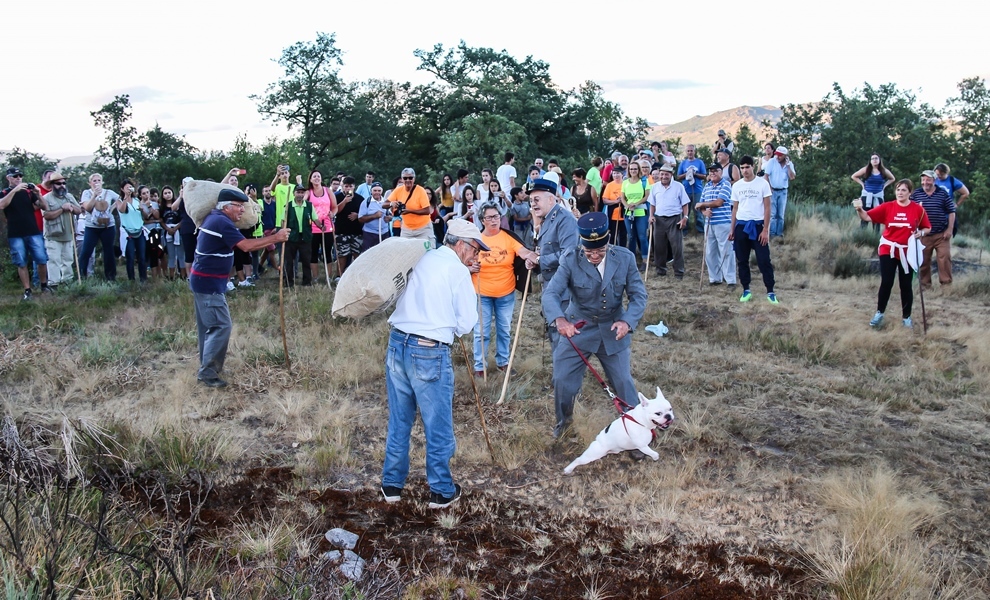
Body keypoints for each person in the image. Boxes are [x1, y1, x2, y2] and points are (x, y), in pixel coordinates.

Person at [380, 218, 487, 509]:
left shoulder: (423, 256)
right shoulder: (458, 271)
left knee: (400, 420)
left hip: (397, 343)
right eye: (475, 249)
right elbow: (466, 324)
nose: (476, 256)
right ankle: (441, 490)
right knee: (437, 423)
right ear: (461, 245)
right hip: (428, 350)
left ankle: (391, 485)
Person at [542, 212, 647, 439]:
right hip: (578, 328)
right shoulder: (570, 258)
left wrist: (627, 322)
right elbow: (551, 293)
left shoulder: (625, 258)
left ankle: (635, 432)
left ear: (608, 241)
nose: (595, 256)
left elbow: (639, 295)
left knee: (623, 382)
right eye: (589, 252)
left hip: (613, 330)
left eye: (600, 251)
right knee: (563, 381)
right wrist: (559, 319)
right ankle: (564, 424)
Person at [189, 189, 289, 387]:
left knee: (208, 327)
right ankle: (208, 373)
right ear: (226, 207)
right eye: (239, 206)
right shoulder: (221, 222)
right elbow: (246, 246)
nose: (242, 210)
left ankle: (208, 366)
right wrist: (276, 238)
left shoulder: (216, 218)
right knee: (221, 326)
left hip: (203, 281)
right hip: (208, 283)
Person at [470, 204, 539, 376]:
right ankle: (480, 366)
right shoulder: (475, 240)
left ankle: (503, 362)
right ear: (482, 220)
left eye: (496, 216)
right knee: (481, 331)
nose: (494, 220)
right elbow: (463, 261)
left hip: (505, 293)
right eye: (489, 217)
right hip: (481, 293)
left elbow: (522, 251)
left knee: (504, 329)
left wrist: (534, 257)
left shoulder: (508, 238)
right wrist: (470, 267)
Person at [853, 179, 931, 329]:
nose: (900, 193)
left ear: (910, 192)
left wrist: (920, 233)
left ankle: (906, 318)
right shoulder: (888, 206)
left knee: (906, 285)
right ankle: (879, 313)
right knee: (887, 281)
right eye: (898, 190)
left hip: (907, 250)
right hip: (888, 248)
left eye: (903, 190)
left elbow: (927, 227)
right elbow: (867, 217)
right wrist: (859, 209)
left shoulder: (917, 209)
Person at [525, 179, 578, 347]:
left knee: (562, 337)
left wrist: (540, 260)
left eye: (537, 199)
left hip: (564, 290)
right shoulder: (546, 219)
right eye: (531, 200)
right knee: (554, 334)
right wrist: (535, 261)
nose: (533, 204)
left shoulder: (565, 220)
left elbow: (569, 254)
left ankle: (565, 372)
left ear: (551, 199)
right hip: (551, 286)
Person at [729, 156, 778, 304]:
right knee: (742, 260)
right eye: (742, 168)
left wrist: (765, 229)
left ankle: (770, 291)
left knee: (764, 260)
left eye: (747, 167)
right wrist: (732, 229)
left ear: (752, 166)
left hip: (757, 226)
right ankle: (746, 289)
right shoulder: (737, 186)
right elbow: (735, 208)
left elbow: (768, 207)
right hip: (741, 226)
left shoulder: (762, 184)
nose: (745, 170)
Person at [1, 167, 52, 299]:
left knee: (41, 259)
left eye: (20, 176)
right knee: (21, 262)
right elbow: (2, 205)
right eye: (15, 176)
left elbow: (45, 207)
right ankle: (27, 290)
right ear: (8, 178)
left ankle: (43, 285)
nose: (18, 178)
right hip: (15, 233)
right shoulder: (4, 192)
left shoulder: (28, 193)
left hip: (33, 231)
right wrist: (15, 190)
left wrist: (38, 193)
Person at [910, 170, 955, 289]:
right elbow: (909, 210)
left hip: (941, 234)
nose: (925, 182)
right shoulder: (916, 194)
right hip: (923, 234)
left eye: (928, 180)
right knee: (923, 261)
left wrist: (949, 229)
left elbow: (951, 211)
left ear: (934, 181)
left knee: (944, 259)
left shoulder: (943, 193)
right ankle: (925, 286)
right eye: (923, 180)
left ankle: (946, 286)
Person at [646, 163, 690, 278]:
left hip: (674, 219)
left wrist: (685, 218)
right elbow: (652, 204)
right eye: (662, 174)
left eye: (666, 174)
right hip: (659, 219)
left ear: (671, 175)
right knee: (659, 247)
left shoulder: (678, 186)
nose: (664, 176)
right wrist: (651, 216)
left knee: (677, 247)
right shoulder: (655, 187)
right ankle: (660, 271)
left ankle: (679, 272)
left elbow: (685, 204)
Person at [696, 164, 735, 286]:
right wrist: (704, 211)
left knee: (726, 252)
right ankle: (715, 278)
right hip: (709, 223)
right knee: (710, 252)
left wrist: (702, 205)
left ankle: (730, 280)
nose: (712, 173)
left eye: (715, 171)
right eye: (710, 171)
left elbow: (719, 202)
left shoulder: (726, 184)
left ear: (721, 172)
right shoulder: (707, 186)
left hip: (723, 223)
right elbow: (700, 205)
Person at [40, 172, 82, 288]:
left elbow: (79, 210)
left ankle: (67, 282)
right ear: (52, 185)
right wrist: (62, 209)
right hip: (53, 235)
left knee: (68, 260)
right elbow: (47, 215)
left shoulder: (69, 197)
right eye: (58, 184)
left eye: (64, 183)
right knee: (54, 261)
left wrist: (72, 207)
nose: (62, 186)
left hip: (69, 234)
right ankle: (54, 284)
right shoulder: (46, 198)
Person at [78, 172, 119, 281]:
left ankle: (110, 277)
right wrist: (94, 195)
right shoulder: (86, 193)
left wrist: (111, 210)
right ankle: (82, 276)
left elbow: (120, 200)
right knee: (86, 251)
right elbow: (87, 207)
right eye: (94, 181)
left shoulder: (109, 192)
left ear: (102, 182)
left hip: (108, 226)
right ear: (90, 183)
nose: (96, 183)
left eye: (98, 180)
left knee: (109, 251)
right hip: (91, 227)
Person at [388, 168, 434, 245]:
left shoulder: (421, 190)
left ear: (414, 179)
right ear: (402, 179)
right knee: (405, 253)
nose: (408, 180)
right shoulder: (398, 190)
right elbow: (384, 204)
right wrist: (391, 204)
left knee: (428, 251)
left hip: (423, 228)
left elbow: (427, 211)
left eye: (410, 178)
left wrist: (409, 211)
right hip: (407, 229)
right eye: (405, 178)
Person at [305, 170, 336, 283]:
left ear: (321, 179)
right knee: (313, 252)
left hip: (327, 226)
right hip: (313, 227)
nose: (317, 178)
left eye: (319, 176)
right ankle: (315, 277)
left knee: (327, 252)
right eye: (314, 176)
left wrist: (333, 213)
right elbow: (303, 203)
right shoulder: (309, 192)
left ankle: (329, 276)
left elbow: (334, 207)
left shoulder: (328, 191)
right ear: (310, 179)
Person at [851, 154, 895, 232]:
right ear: (870, 161)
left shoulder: (884, 171)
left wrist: (884, 186)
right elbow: (854, 176)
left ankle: (875, 235)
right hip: (867, 195)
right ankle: (862, 235)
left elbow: (892, 178)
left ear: (879, 160)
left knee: (877, 216)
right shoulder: (866, 169)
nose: (874, 160)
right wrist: (862, 184)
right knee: (865, 215)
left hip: (878, 196)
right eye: (872, 159)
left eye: (876, 158)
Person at [116, 180, 147, 283]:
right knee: (130, 257)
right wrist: (126, 197)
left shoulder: (137, 201)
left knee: (142, 257)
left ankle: (143, 278)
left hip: (139, 230)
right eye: (127, 187)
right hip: (128, 232)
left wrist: (142, 210)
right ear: (122, 189)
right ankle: (131, 280)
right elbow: (122, 210)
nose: (129, 189)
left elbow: (144, 216)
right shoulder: (119, 201)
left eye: (131, 187)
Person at [620, 162, 650, 270]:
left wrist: (636, 204)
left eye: (635, 169)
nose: (633, 171)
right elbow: (622, 197)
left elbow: (646, 196)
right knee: (631, 236)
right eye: (631, 169)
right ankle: (631, 261)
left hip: (640, 212)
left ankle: (645, 261)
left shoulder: (644, 181)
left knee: (642, 236)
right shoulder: (625, 182)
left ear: (638, 170)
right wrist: (627, 205)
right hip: (629, 213)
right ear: (629, 170)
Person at [284, 185, 315, 287]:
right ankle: (289, 282)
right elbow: (282, 221)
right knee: (289, 261)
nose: (300, 195)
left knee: (306, 260)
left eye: (302, 193)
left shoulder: (309, 206)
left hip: (305, 237)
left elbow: (315, 219)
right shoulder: (288, 206)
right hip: (291, 237)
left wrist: (321, 226)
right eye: (298, 192)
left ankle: (307, 282)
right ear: (294, 193)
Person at [333, 176, 364, 275]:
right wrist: (344, 201)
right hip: (341, 232)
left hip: (356, 231)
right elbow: (335, 211)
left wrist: (357, 215)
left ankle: (357, 275)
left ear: (354, 186)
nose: (348, 188)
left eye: (350, 186)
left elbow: (364, 214)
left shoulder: (360, 198)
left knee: (357, 255)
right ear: (342, 186)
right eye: (346, 186)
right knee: (342, 256)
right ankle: (339, 276)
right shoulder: (337, 196)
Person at [763, 146, 796, 237]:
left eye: (780, 155)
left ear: (785, 156)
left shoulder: (789, 164)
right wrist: (769, 187)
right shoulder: (772, 162)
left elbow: (792, 177)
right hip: (773, 190)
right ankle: (772, 234)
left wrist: (788, 166)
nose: (778, 157)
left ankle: (779, 234)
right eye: (777, 155)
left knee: (780, 214)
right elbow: (766, 175)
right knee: (773, 214)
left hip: (783, 191)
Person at [676, 145, 708, 233]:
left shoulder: (699, 162)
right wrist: (687, 174)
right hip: (686, 190)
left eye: (691, 151)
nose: (690, 152)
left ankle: (701, 231)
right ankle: (684, 230)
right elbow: (678, 176)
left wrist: (695, 174)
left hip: (697, 190)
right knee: (685, 212)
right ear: (686, 152)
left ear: (695, 152)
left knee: (698, 211)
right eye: (688, 151)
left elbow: (704, 176)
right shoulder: (683, 163)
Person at [932, 163, 969, 236]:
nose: (939, 176)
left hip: (946, 214)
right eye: (937, 174)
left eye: (941, 174)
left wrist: (957, 204)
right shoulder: (933, 179)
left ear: (946, 173)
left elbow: (966, 193)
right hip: (933, 212)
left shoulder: (952, 181)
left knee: (944, 236)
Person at [161, 186, 185, 279]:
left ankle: (183, 275)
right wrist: (167, 229)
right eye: (165, 193)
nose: (167, 195)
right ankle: (172, 276)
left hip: (179, 231)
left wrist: (176, 228)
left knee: (181, 254)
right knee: (171, 255)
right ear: (162, 196)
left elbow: (183, 218)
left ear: (172, 193)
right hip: (168, 233)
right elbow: (161, 220)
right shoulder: (162, 207)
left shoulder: (178, 205)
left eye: (169, 192)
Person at [358, 182, 391, 251]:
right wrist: (374, 216)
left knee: (384, 253)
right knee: (369, 254)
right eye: (375, 190)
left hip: (384, 233)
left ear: (382, 191)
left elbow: (390, 214)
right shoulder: (366, 202)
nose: (377, 192)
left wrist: (389, 218)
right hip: (370, 234)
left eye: (379, 190)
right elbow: (360, 219)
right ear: (371, 191)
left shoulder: (386, 201)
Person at [602, 167, 626, 248]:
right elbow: (605, 200)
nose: (616, 175)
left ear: (622, 174)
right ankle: (613, 250)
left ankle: (623, 250)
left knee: (623, 235)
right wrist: (615, 202)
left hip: (624, 214)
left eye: (617, 173)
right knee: (612, 235)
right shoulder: (609, 185)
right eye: (614, 173)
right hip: (613, 215)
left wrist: (622, 200)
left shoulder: (626, 184)